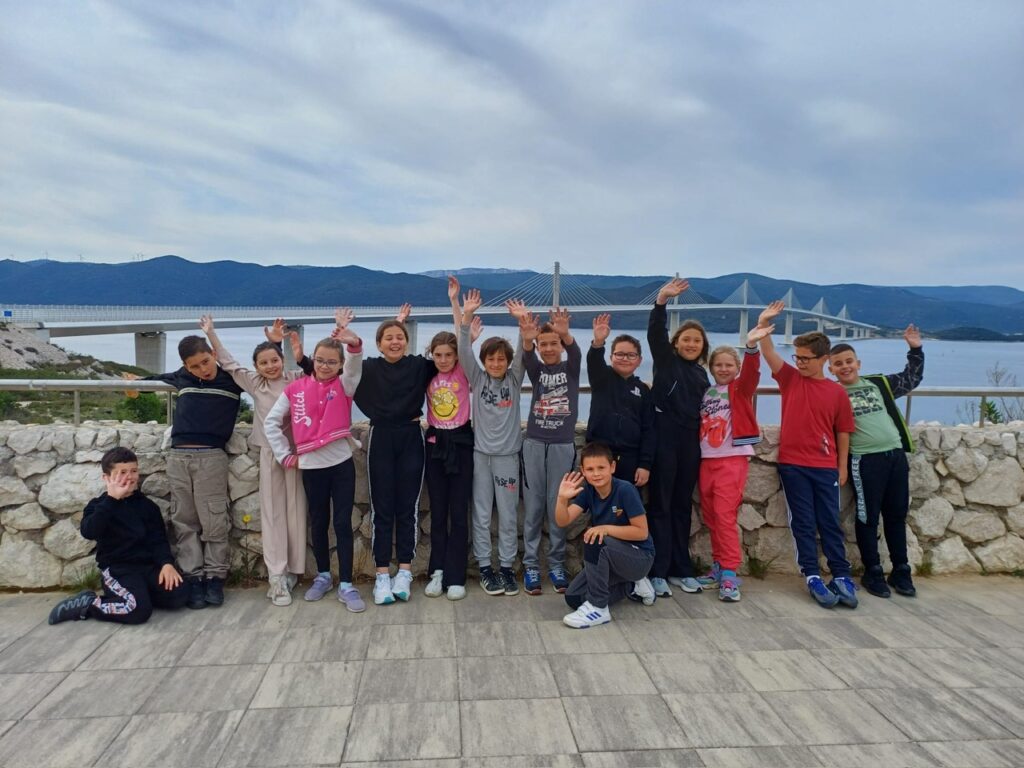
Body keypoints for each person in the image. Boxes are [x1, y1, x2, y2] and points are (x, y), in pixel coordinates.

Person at [201, 315, 313, 607]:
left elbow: (320, 373)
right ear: (256, 367)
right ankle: (276, 576)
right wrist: (211, 334)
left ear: (282, 360)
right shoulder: (255, 383)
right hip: (270, 453)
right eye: (264, 363)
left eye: (274, 360)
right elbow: (228, 363)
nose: (270, 366)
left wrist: (289, 348)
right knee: (272, 513)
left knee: (296, 511)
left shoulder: (295, 379)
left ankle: (293, 571)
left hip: (297, 453)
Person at [756, 301, 858, 609]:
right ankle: (812, 575)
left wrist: (842, 467)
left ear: (823, 359)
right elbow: (768, 352)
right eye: (797, 357)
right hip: (793, 465)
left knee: (830, 521)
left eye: (805, 358)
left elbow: (843, 431)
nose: (799, 363)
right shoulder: (790, 379)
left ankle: (841, 575)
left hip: (825, 467)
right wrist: (763, 323)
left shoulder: (837, 392)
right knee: (802, 521)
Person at [132, 335, 244, 609]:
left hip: (211, 456)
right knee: (184, 520)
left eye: (206, 362)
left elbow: (264, 381)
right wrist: (134, 384)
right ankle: (193, 578)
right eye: (194, 366)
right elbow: (154, 381)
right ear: (185, 366)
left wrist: (275, 344)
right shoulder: (182, 377)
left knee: (214, 519)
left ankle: (215, 578)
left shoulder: (232, 379)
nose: (202, 369)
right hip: (178, 457)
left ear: (214, 354)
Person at [265, 328, 366, 611]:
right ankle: (323, 576)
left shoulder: (345, 385)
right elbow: (271, 422)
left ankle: (346, 584)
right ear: (313, 359)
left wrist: (354, 344)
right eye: (320, 360)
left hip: (341, 464)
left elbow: (355, 364)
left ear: (340, 364)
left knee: (342, 524)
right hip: (311, 467)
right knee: (319, 522)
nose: (324, 366)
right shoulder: (295, 389)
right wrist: (285, 457)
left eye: (332, 362)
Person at [828, 324, 924, 598]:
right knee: (867, 516)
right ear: (831, 369)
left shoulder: (878, 384)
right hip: (864, 460)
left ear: (858, 363)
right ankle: (873, 571)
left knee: (896, 514)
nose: (845, 367)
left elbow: (911, 378)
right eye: (838, 364)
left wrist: (915, 349)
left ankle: (901, 570)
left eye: (849, 361)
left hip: (895, 455)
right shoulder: (832, 393)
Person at [48, 447, 189, 625]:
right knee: (137, 611)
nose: (129, 476)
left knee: (180, 594)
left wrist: (166, 564)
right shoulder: (98, 506)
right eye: (122, 472)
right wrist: (112, 500)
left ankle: (138, 597)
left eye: (133, 471)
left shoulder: (147, 506)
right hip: (118, 570)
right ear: (106, 478)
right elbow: (89, 531)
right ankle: (88, 604)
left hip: (146, 567)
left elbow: (158, 540)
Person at [354, 311, 437, 606]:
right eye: (388, 338)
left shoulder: (418, 366)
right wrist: (301, 358)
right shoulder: (369, 367)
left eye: (399, 337)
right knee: (382, 508)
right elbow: (338, 372)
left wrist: (463, 324)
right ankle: (381, 576)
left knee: (408, 508)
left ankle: (404, 571)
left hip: (411, 436)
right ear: (378, 344)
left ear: (407, 341)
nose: (394, 342)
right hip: (381, 436)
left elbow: (452, 359)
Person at [457, 282, 527, 596]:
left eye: (501, 359)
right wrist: (466, 317)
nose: (496, 363)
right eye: (491, 359)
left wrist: (522, 323)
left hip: (508, 457)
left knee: (509, 516)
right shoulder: (477, 378)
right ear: (484, 361)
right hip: (480, 456)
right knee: (482, 514)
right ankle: (486, 567)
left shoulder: (515, 378)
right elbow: (463, 351)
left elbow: (525, 351)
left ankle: (507, 568)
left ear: (508, 362)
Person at [646, 277, 710, 596]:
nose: (691, 344)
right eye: (686, 339)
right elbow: (655, 334)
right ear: (675, 343)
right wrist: (661, 301)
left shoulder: (701, 374)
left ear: (703, 347)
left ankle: (680, 569)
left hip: (690, 442)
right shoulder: (666, 361)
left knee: (682, 505)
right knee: (660, 504)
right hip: (664, 438)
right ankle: (658, 571)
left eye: (697, 341)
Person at [423, 279, 484, 601]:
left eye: (448, 355)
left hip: (461, 444)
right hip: (435, 446)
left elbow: (462, 340)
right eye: (438, 355)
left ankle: (456, 575)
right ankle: (437, 571)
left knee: (459, 513)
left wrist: (456, 303)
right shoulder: (428, 374)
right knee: (439, 512)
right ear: (432, 355)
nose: (444, 359)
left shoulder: (462, 372)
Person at [514, 302, 581, 596]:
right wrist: (528, 338)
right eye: (544, 344)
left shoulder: (571, 369)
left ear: (561, 346)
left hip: (562, 446)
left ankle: (556, 564)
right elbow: (526, 354)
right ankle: (531, 565)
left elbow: (577, 352)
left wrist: (565, 333)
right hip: (534, 444)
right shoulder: (537, 370)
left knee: (558, 508)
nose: (550, 348)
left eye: (554, 343)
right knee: (533, 507)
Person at [555, 442, 656, 628]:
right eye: (590, 469)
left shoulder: (625, 489)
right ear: (583, 471)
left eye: (601, 468)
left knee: (595, 539)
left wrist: (606, 528)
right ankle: (632, 586)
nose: (596, 473)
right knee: (574, 597)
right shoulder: (589, 491)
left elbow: (642, 532)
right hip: (611, 558)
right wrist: (562, 499)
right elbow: (563, 520)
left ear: (612, 467)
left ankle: (599, 607)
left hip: (639, 558)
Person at [696, 333, 764, 602]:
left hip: (732, 459)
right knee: (712, 516)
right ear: (711, 367)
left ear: (737, 368)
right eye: (718, 365)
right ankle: (718, 565)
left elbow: (752, 374)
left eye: (729, 365)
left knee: (724, 516)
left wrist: (751, 347)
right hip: (706, 459)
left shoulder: (740, 388)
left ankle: (729, 573)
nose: (723, 369)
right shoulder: (706, 391)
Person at [586, 313, 656, 489]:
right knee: (597, 500)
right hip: (599, 455)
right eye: (619, 354)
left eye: (631, 355)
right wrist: (598, 342)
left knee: (628, 502)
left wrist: (645, 464)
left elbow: (648, 429)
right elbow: (594, 361)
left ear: (639, 360)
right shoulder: (601, 378)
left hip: (630, 459)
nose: (625, 358)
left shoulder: (643, 390)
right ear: (611, 357)